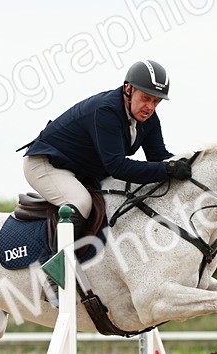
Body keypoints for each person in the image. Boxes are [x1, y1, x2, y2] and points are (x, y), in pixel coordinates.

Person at [20, 59, 192, 238]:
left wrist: (190, 162)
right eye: (146, 98)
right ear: (128, 89)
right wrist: (168, 169)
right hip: (46, 163)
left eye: (156, 101)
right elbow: (117, 167)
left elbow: (159, 156)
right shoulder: (106, 111)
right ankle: (61, 256)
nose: (150, 107)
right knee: (80, 202)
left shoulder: (149, 119)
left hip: (81, 169)